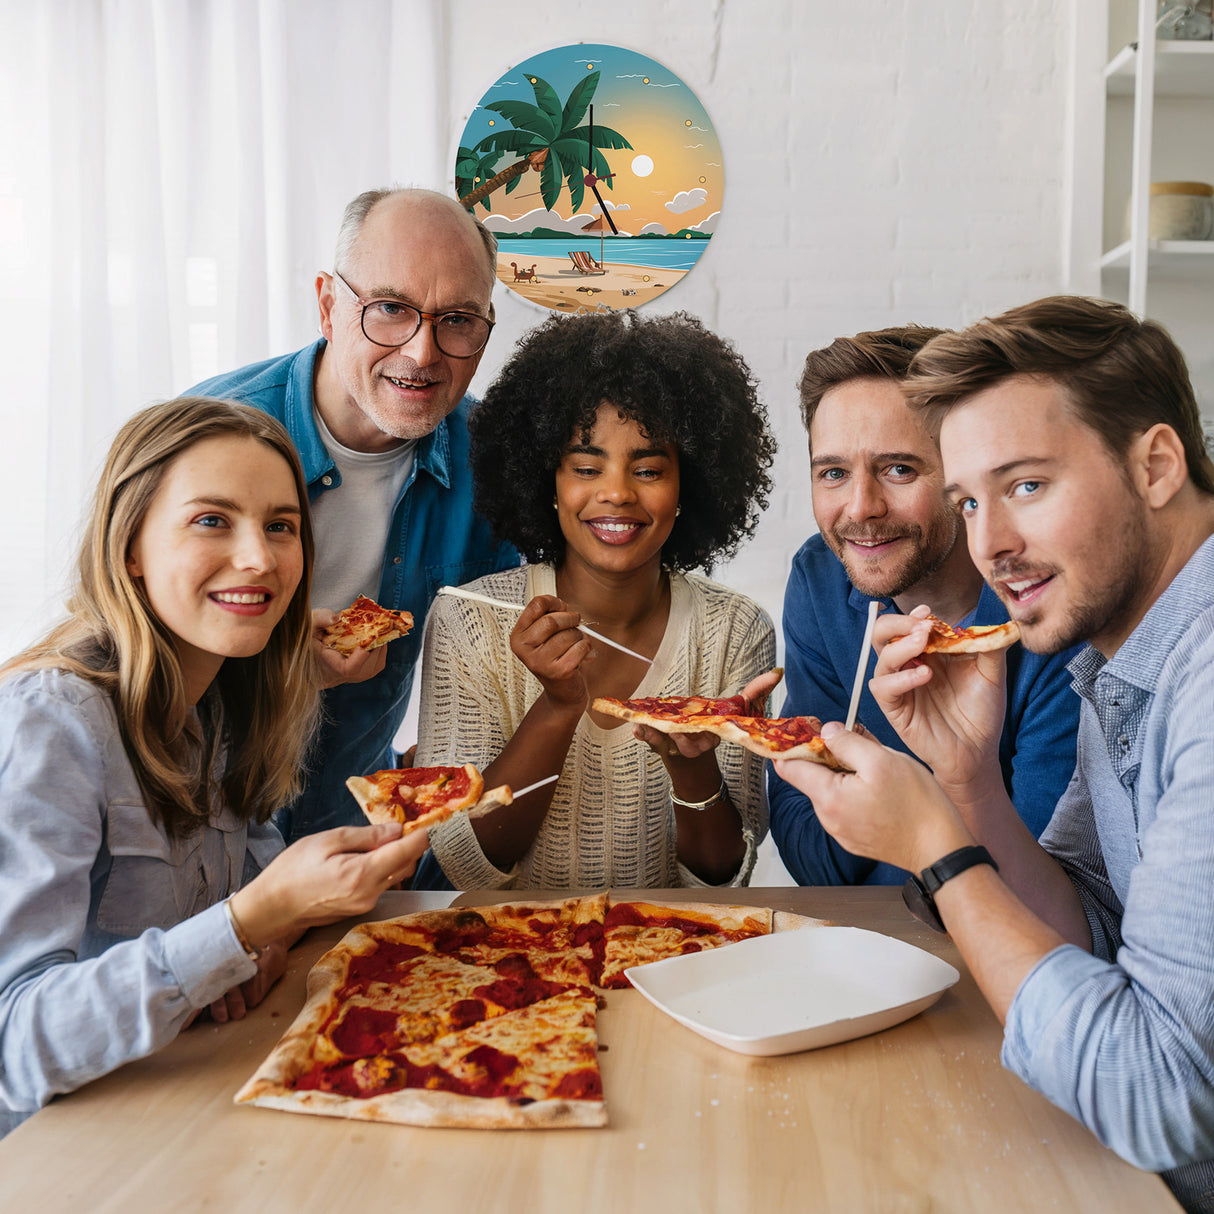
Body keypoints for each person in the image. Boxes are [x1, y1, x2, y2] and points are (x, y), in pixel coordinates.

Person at [776, 297, 1214, 1212]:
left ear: (1157, 465)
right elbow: (1088, 929)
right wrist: (970, 783)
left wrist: (941, 847)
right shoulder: (1119, 648)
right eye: (971, 500)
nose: (991, 545)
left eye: (1024, 486)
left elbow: (1159, 1097)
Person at [0, 398, 428, 1137]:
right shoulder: (50, 720)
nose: (260, 558)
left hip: (180, 1103)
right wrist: (253, 920)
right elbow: (12, 1045)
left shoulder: (224, 694)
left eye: (280, 526)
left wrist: (253, 944)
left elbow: (242, 896)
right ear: (130, 545)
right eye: (211, 520)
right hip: (58, 1154)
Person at [189, 188, 518, 843]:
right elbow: (119, 663)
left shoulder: (498, 467)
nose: (423, 353)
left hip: (354, 844)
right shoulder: (201, 438)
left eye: (457, 319)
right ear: (328, 304)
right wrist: (280, 664)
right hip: (191, 839)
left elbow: (499, 674)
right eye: (391, 309)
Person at [413, 310, 780, 890]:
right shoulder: (470, 619)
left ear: (690, 486)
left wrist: (692, 767)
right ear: (547, 482)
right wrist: (558, 705)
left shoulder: (735, 629)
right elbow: (467, 863)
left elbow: (723, 878)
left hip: (674, 962)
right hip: (508, 964)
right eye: (586, 466)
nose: (616, 492)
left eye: (650, 469)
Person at [768, 325, 1080, 885]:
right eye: (834, 473)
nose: (861, 508)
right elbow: (807, 853)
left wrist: (889, 802)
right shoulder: (819, 577)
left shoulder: (1049, 610)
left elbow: (1044, 883)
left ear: (961, 478)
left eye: (899, 469)